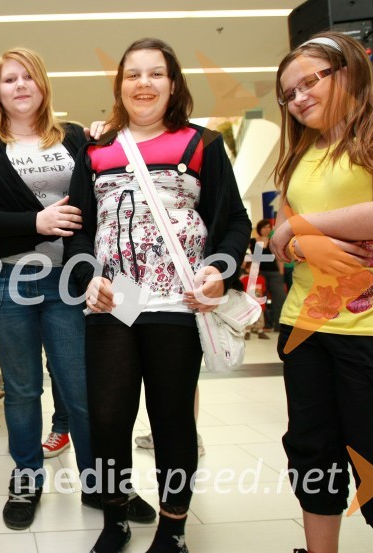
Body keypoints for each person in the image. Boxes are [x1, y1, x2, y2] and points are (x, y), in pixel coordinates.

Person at [0, 46, 154, 531]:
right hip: (4, 279)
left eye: (28, 77)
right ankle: (27, 479)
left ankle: (102, 485)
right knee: (23, 390)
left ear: (43, 85)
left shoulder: (73, 139)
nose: (20, 85)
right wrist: (37, 222)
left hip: (70, 280)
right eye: (9, 79)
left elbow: (94, 201)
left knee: (81, 388)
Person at [66, 38, 251, 552]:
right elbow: (80, 229)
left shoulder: (203, 145)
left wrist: (220, 268)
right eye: (132, 75)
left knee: (171, 417)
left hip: (177, 299)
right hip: (115, 297)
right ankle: (115, 517)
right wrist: (88, 277)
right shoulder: (96, 150)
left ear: (174, 84)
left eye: (156, 74)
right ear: (119, 85)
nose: (143, 84)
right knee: (107, 416)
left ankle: (173, 528)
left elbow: (234, 221)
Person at [267, 32, 373, 553]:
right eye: (288, 94)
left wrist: (299, 228)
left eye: (309, 82)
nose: (299, 99)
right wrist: (302, 244)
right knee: (311, 453)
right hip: (307, 321)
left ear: (346, 70)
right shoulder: (301, 152)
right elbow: (286, 243)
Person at [251, 219, 286, 331]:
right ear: (259, 229)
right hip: (259, 274)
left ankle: (278, 324)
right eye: (264, 227)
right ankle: (266, 324)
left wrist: (281, 272)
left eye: (268, 227)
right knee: (260, 299)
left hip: (274, 273)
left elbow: (279, 258)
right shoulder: (253, 241)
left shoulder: (274, 241)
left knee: (279, 298)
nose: (266, 229)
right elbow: (255, 258)